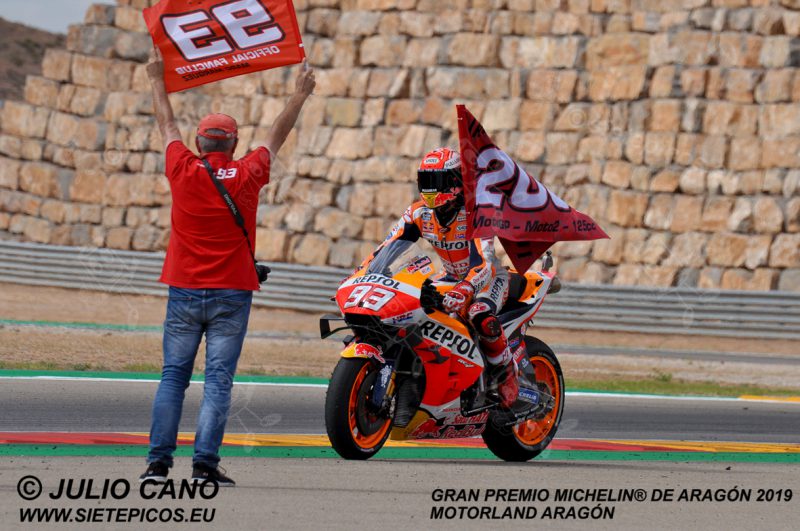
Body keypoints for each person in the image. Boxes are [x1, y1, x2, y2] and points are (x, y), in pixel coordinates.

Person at [140, 48, 315, 486]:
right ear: (234, 144)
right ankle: (204, 465)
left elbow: (166, 123)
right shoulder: (250, 172)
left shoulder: (181, 167)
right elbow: (277, 134)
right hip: (231, 294)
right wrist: (299, 94)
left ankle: (158, 465)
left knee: (172, 377)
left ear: (199, 144)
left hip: (183, 289)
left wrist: (156, 79)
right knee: (218, 381)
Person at [366, 147, 520, 408]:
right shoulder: (418, 213)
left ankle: (506, 375)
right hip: (449, 277)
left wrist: (465, 289)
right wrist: (365, 276)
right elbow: (385, 247)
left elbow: (485, 261)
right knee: (412, 305)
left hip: (488, 279)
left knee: (479, 314)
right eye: (424, 181)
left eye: (435, 182)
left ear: (456, 182)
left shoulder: (476, 213)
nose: (429, 189)